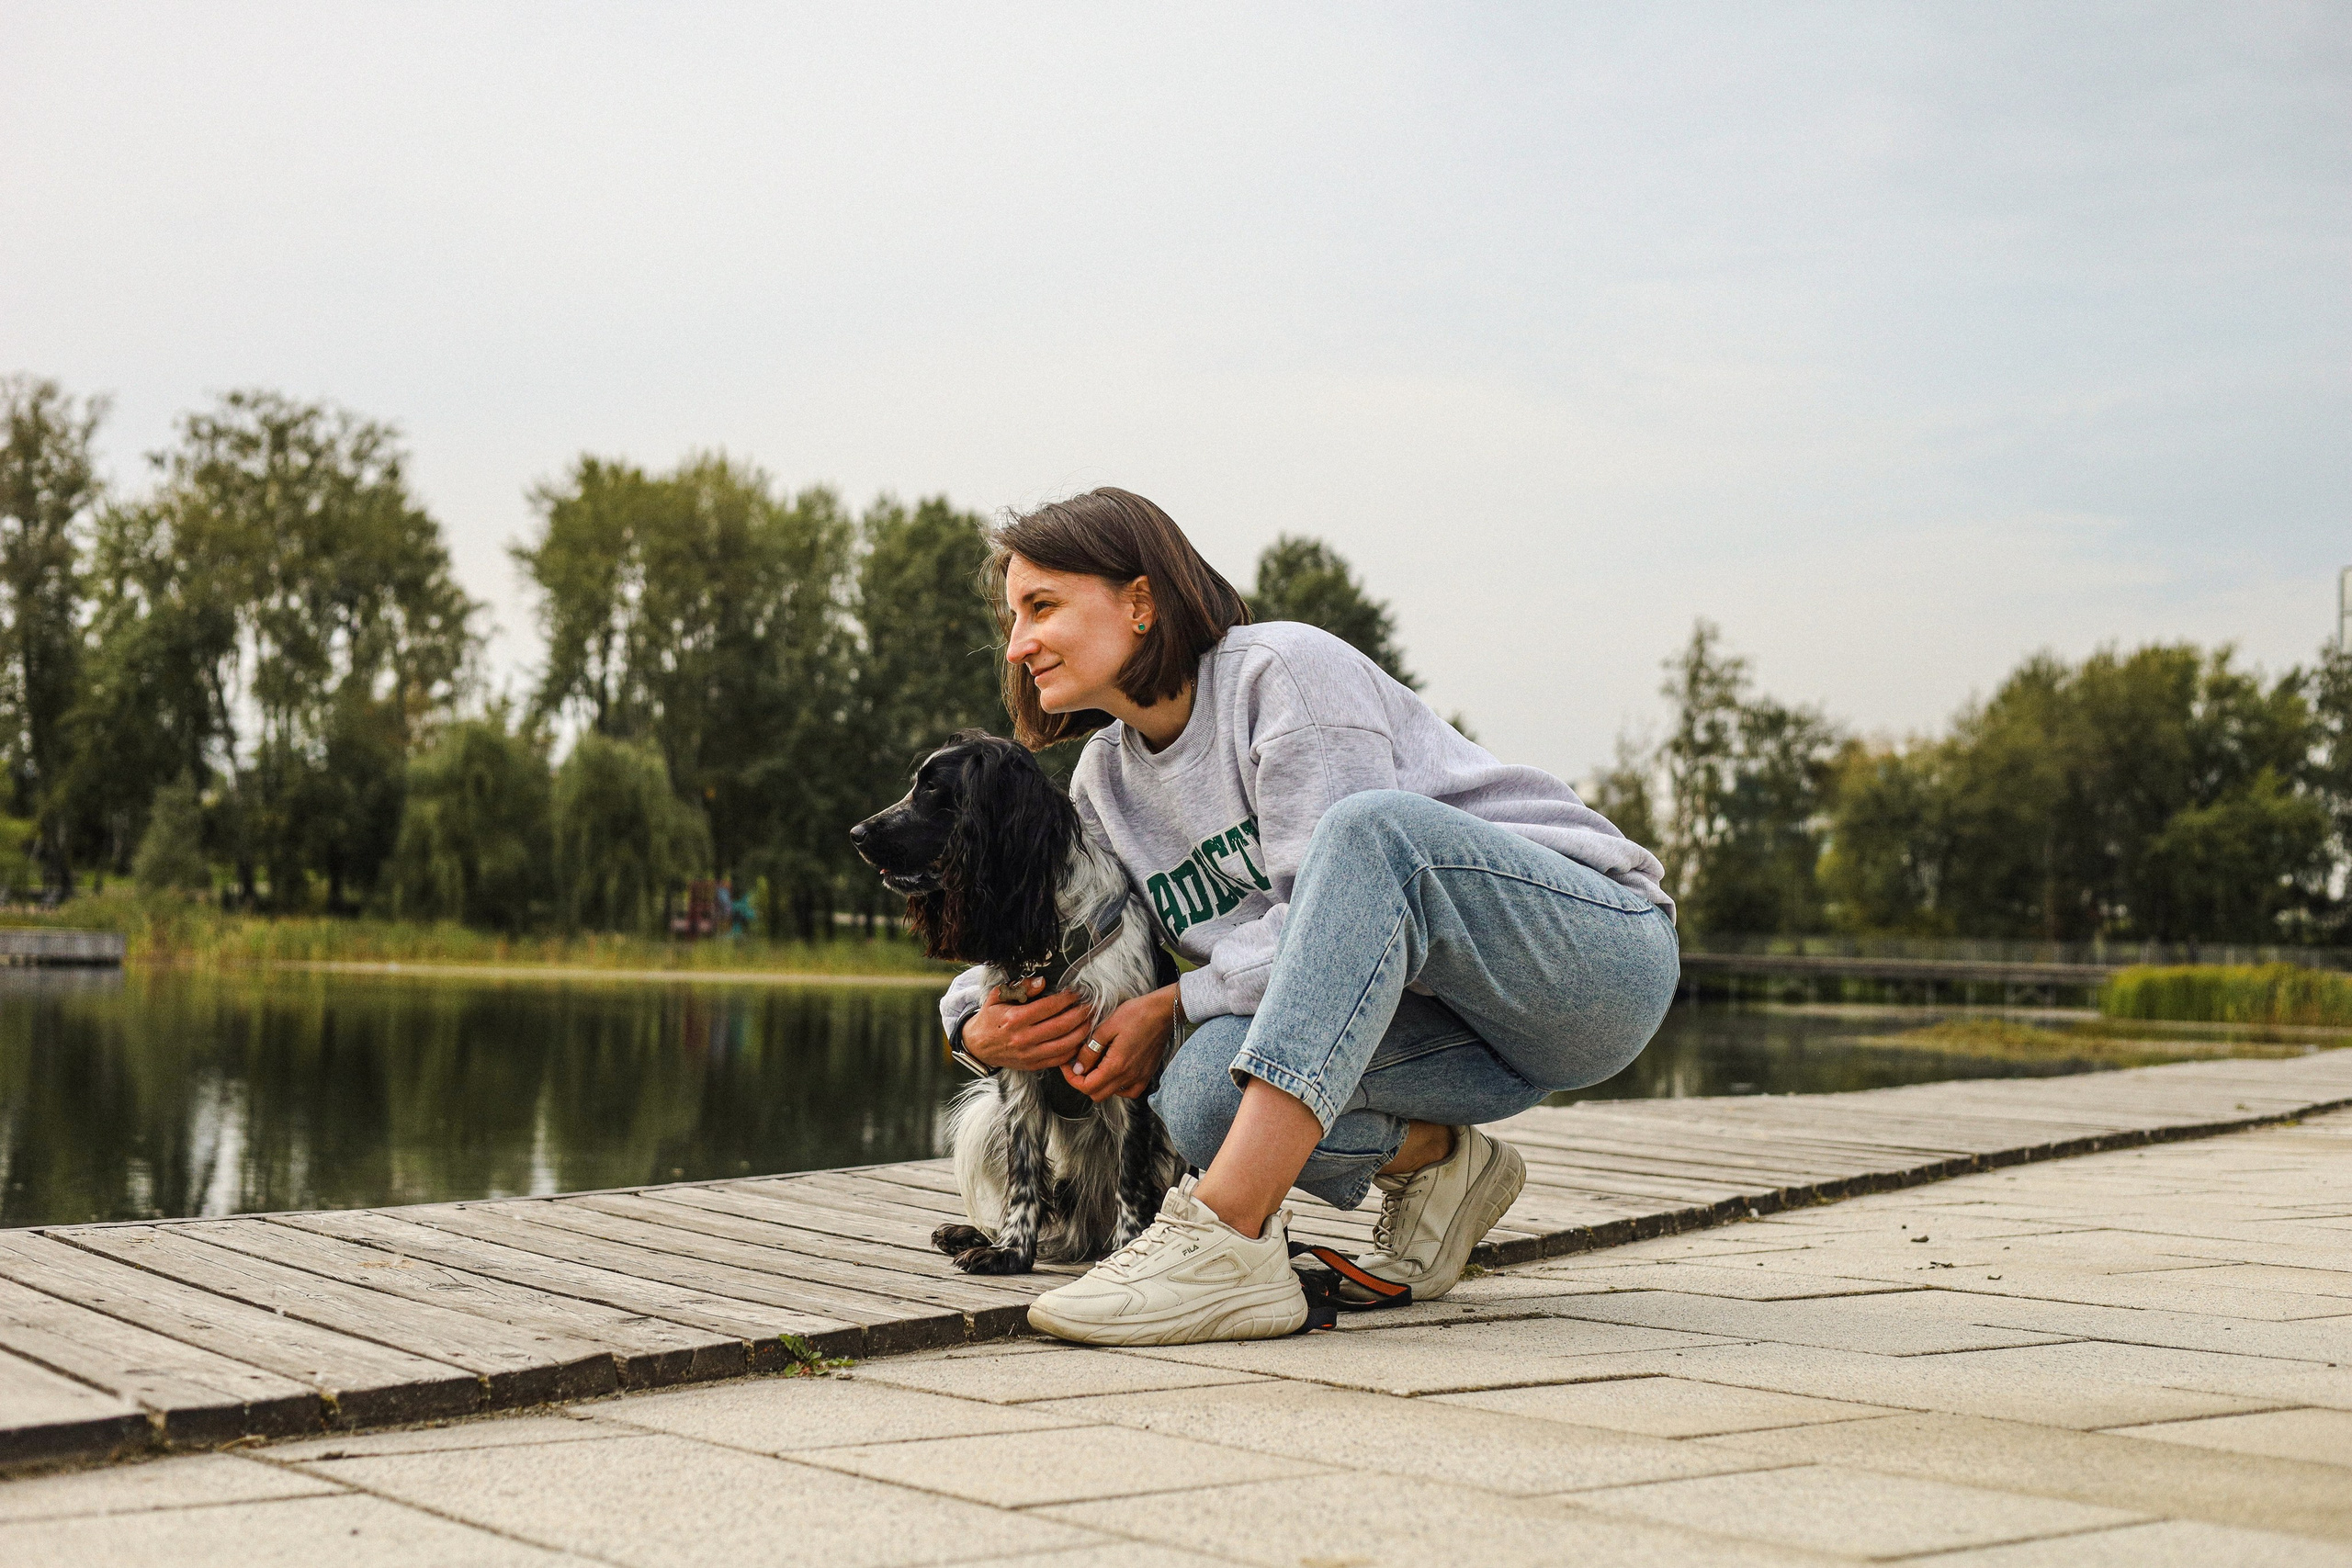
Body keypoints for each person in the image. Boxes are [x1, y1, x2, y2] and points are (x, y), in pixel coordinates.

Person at [942, 488, 1679, 1345]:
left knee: (1364, 834)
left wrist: (1177, 1002)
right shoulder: (1104, 785)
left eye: (1041, 606)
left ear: (1139, 602)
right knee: (1198, 1096)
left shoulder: (1279, 672)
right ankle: (1445, 1165)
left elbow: (1326, 914)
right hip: (1442, 1037)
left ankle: (1226, 1245)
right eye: (1012, 616)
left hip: (1588, 962)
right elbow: (1053, 935)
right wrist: (971, 1024)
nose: (1018, 641)